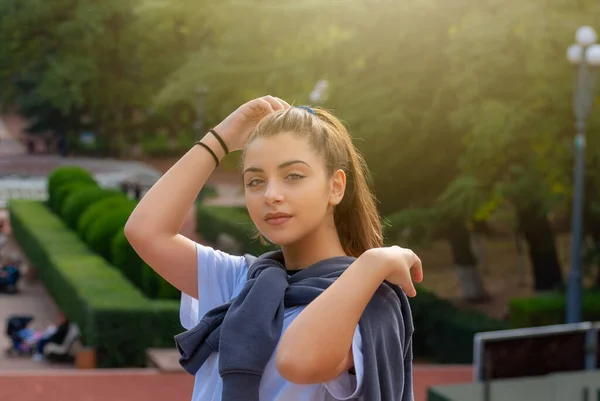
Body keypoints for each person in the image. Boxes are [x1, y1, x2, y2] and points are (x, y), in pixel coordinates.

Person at [125, 96, 423, 401]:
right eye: (255, 181)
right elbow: (146, 231)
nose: (271, 195)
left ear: (336, 186)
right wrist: (221, 138)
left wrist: (371, 263)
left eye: (293, 175)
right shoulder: (243, 282)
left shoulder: (365, 297)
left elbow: (299, 361)